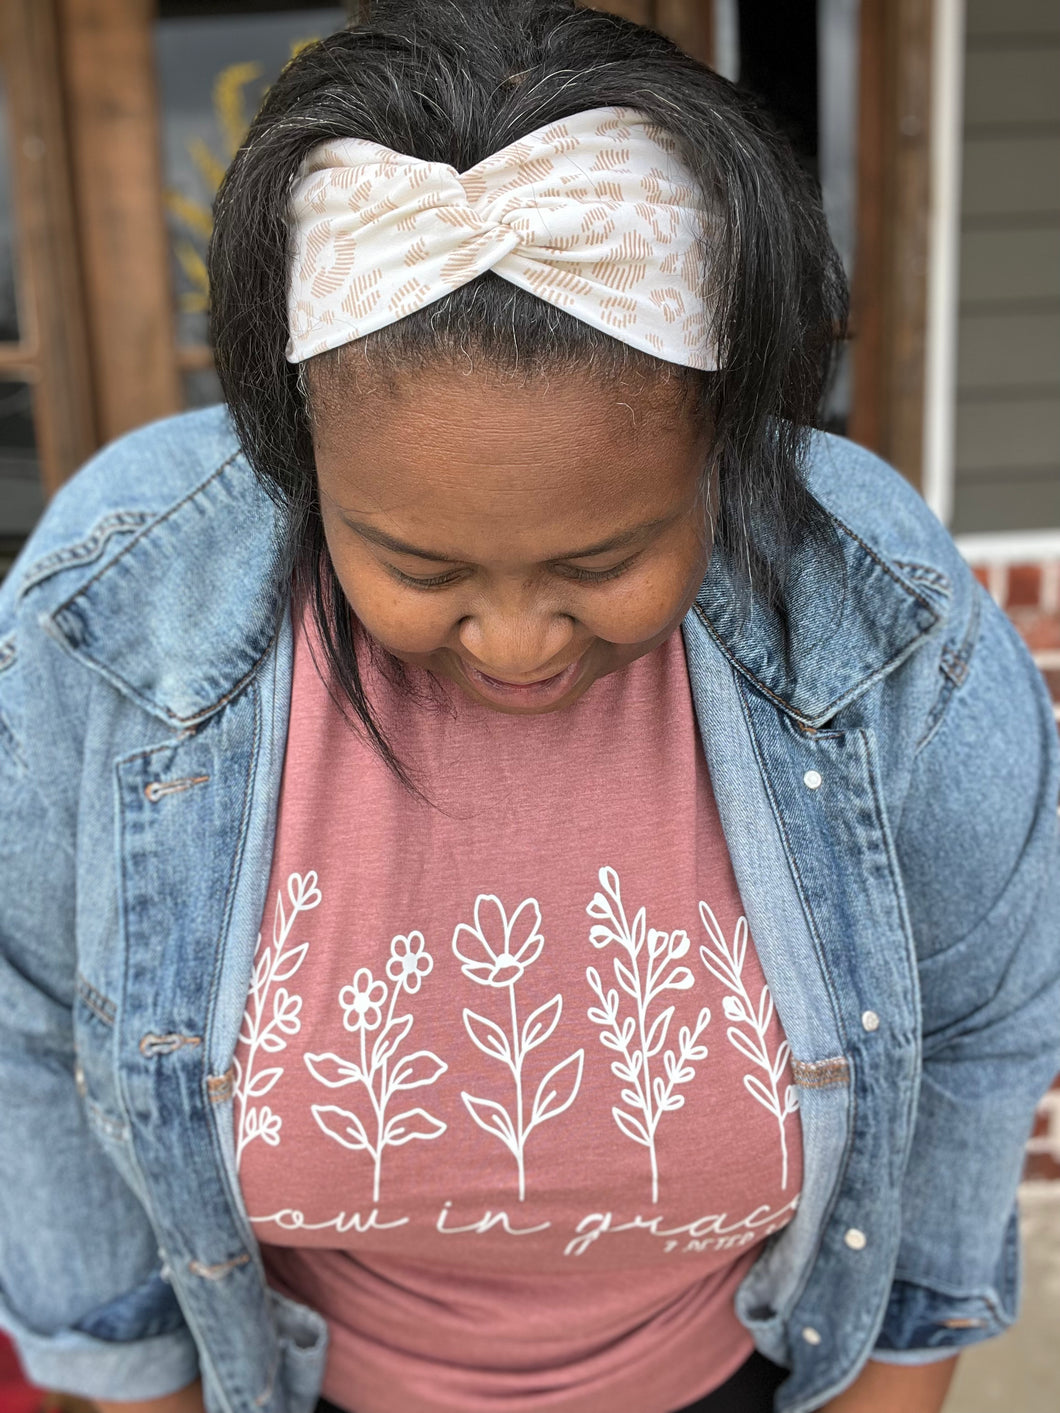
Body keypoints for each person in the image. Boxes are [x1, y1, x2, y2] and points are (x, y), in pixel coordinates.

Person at [0, 3, 1057, 1413]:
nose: (512, 639)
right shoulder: (127, 602)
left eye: (602, 559)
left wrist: (897, 1381)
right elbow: (25, 1015)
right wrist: (132, 1379)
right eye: (419, 564)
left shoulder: (873, 608)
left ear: (726, 449)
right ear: (294, 455)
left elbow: (982, 1024)